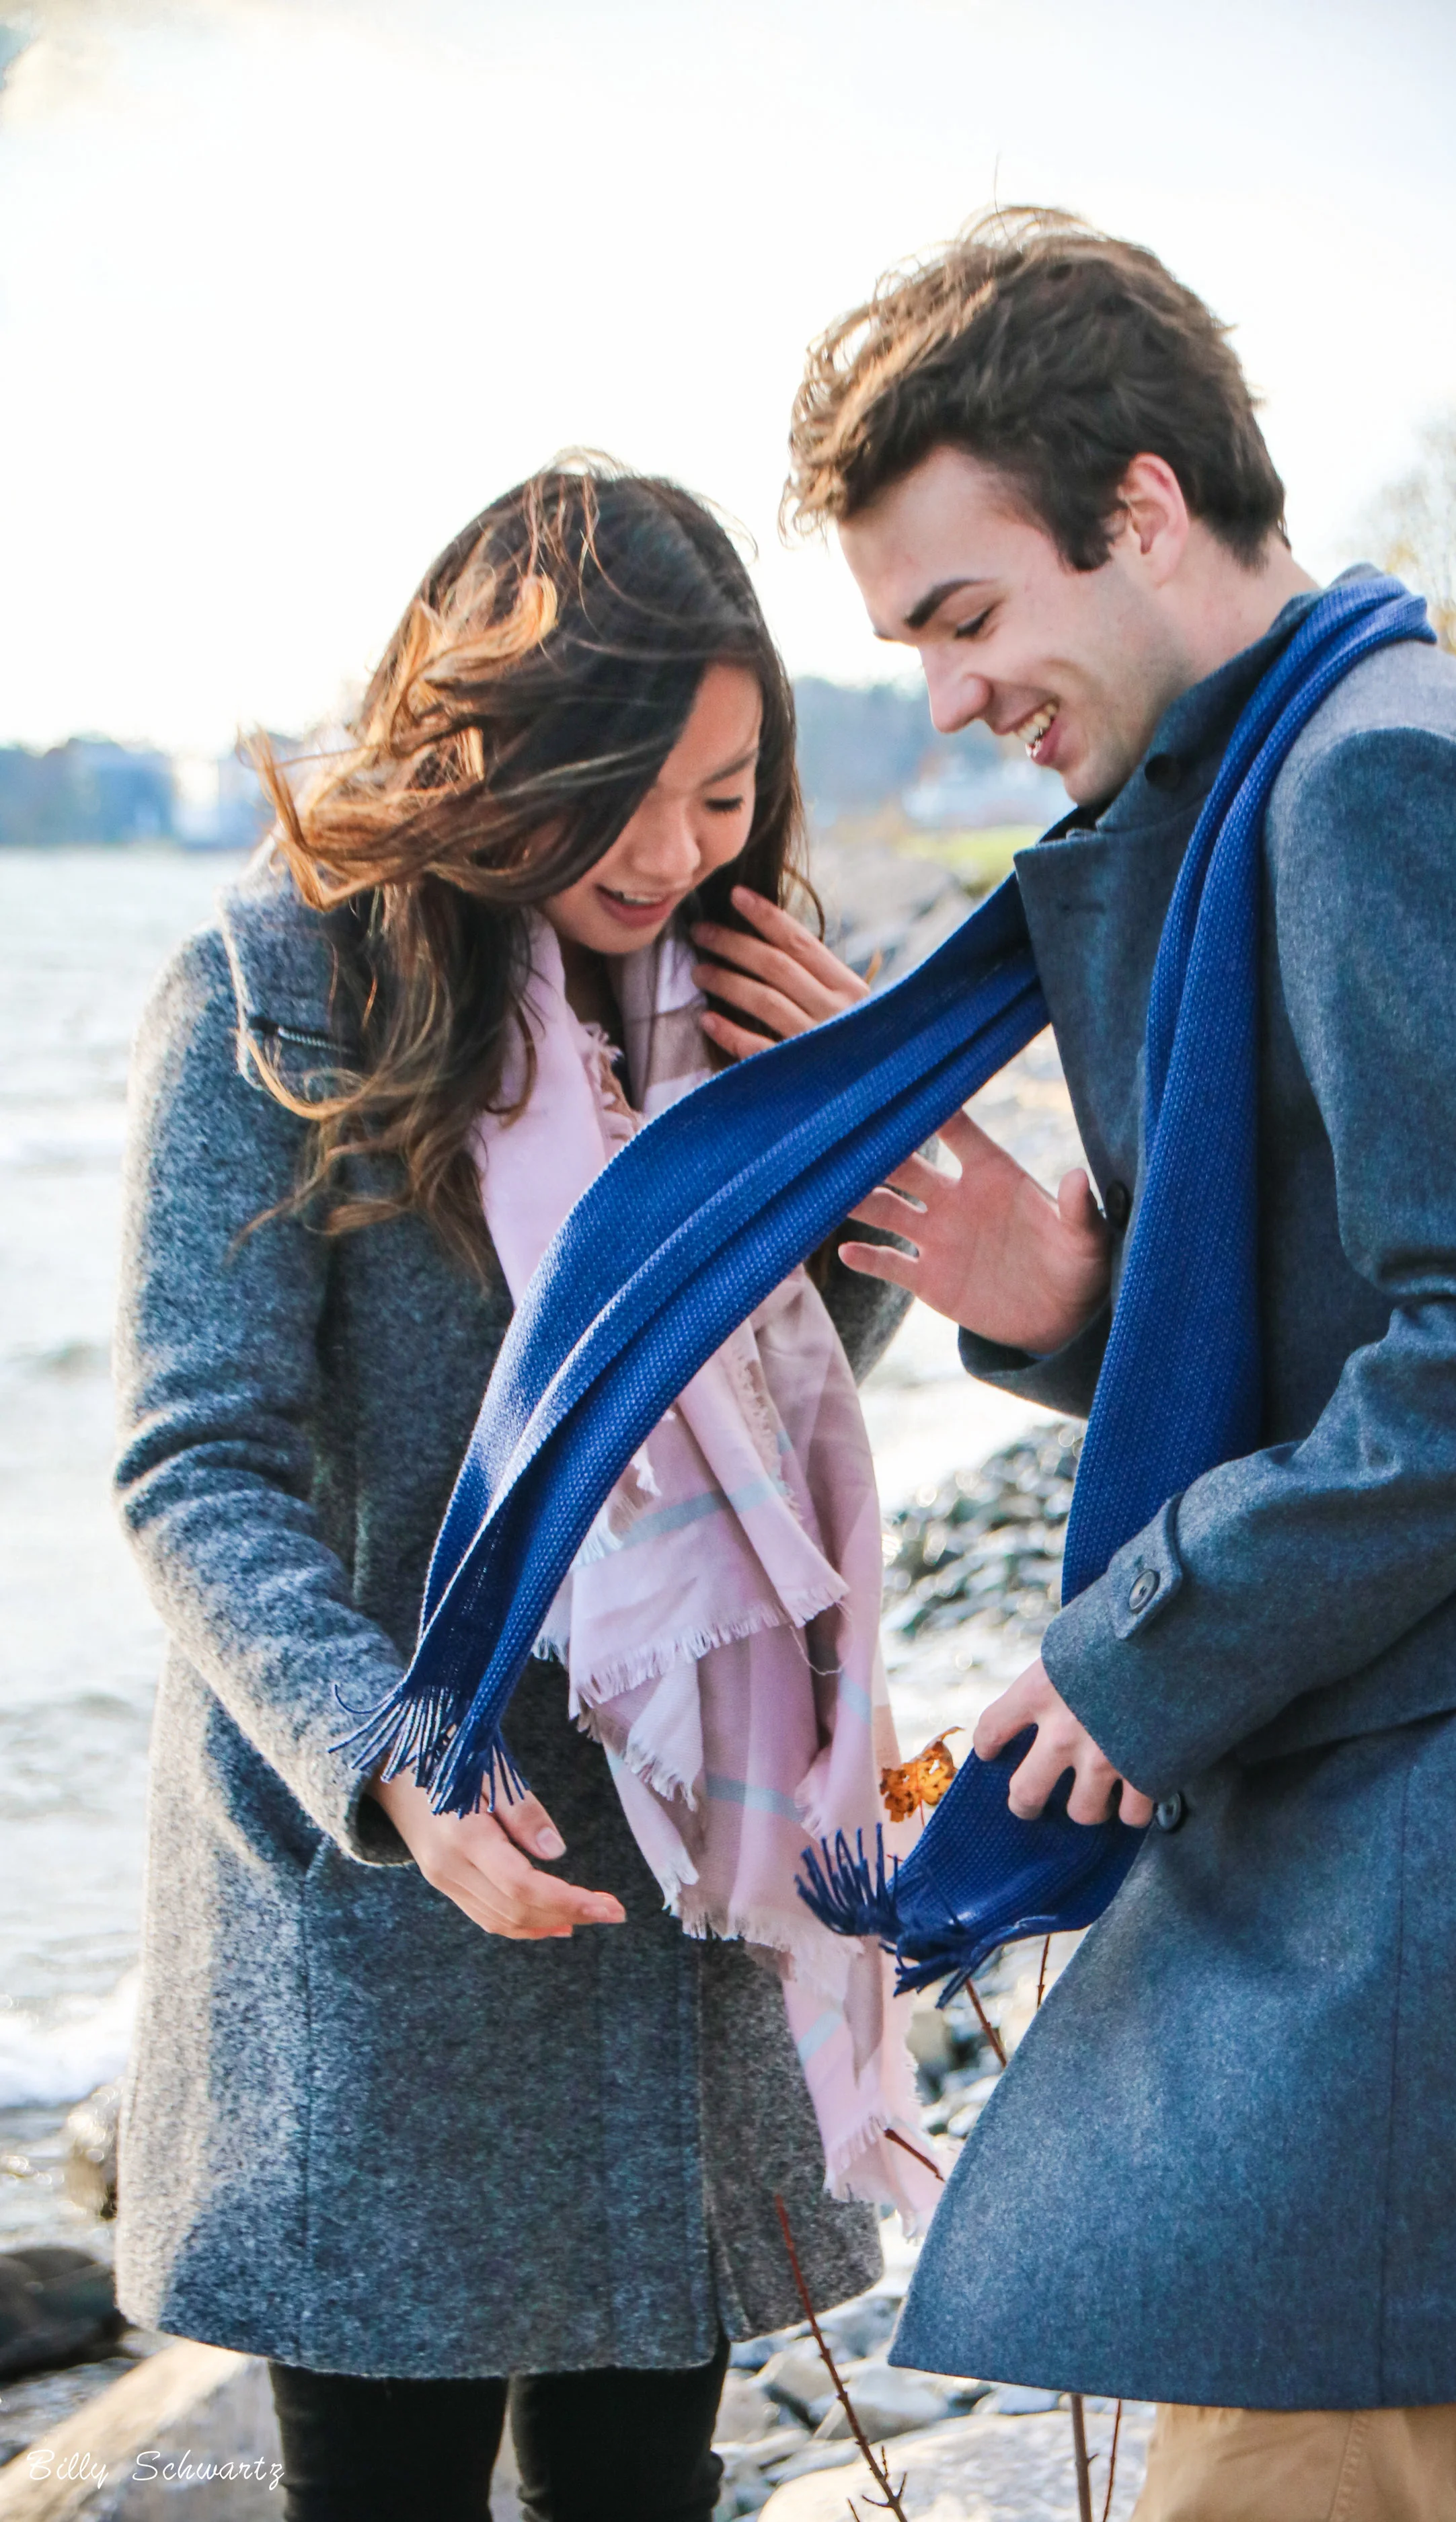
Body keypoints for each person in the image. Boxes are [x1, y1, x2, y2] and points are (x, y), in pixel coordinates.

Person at [783, 206, 1456, 2520]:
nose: (950, 697)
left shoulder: (1381, 779)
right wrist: (1080, 1310)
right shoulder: (1333, 761)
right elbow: (1434, 1318)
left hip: (1427, 1920)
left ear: (1144, 510)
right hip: (1449, 1907)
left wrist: (1140, 1640)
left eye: (964, 616)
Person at [111, 463, 929, 2522]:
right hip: (394, 1905)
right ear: (493, 755)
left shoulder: (727, 989)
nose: (674, 850)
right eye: (623, 793)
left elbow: (775, 1395)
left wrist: (841, 1133)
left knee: (643, 2494)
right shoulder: (272, 989)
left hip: (667, 1892)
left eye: (727, 791)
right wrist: (391, 1753)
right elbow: (191, 1465)